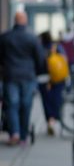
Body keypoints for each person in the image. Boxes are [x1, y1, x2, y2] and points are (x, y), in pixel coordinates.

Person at [0, 12, 45, 145]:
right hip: (28, 76)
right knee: (26, 105)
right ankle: (23, 137)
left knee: (12, 104)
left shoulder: (5, 37)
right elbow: (40, 59)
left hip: (10, 75)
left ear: (15, 21)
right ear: (25, 21)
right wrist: (38, 72)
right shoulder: (32, 38)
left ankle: (14, 132)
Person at [38, 31, 68, 136]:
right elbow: (64, 60)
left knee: (46, 101)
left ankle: (50, 120)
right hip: (58, 78)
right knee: (56, 99)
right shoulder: (57, 47)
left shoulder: (40, 48)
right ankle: (53, 120)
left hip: (44, 78)